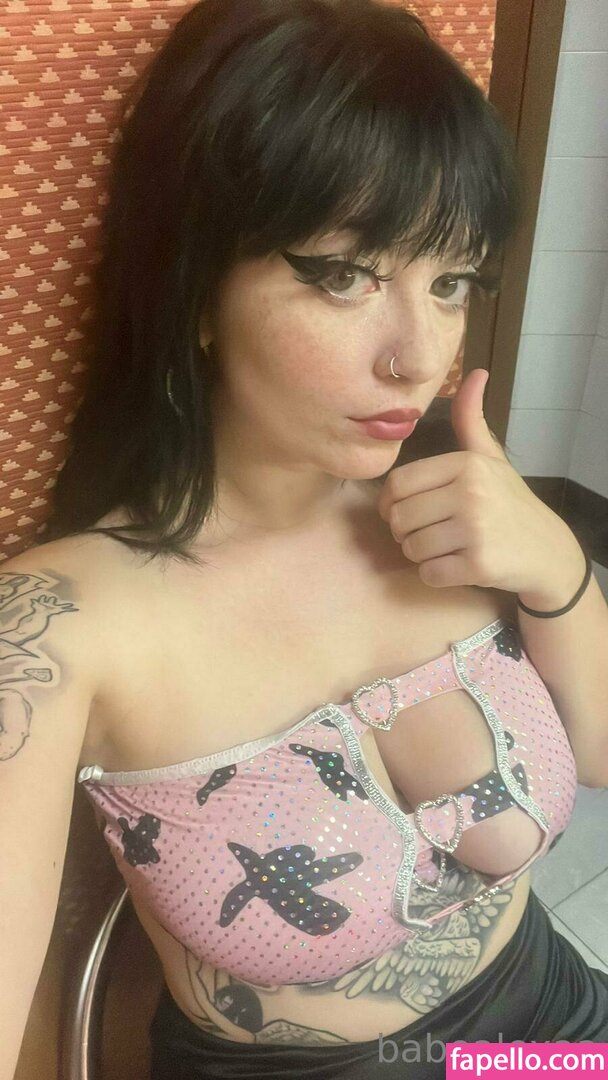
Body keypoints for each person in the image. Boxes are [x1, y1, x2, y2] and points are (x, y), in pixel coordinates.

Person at [3, 0, 608, 1077]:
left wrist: (557, 569)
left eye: (450, 282)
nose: (416, 357)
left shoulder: (453, 508)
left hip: (553, 1037)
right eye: (343, 274)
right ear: (194, 284)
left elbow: (600, 756)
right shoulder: (56, 631)